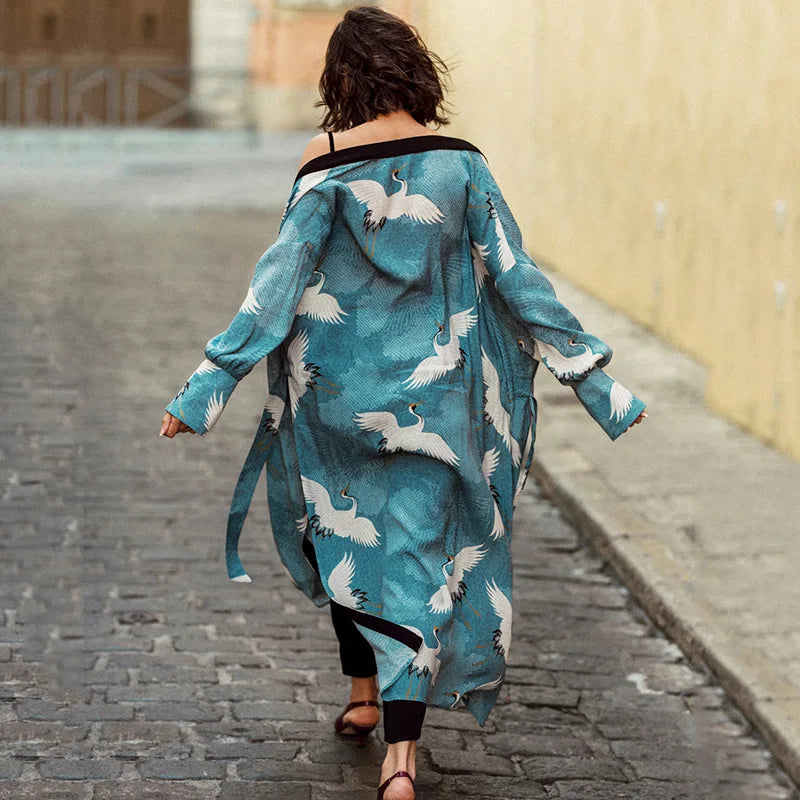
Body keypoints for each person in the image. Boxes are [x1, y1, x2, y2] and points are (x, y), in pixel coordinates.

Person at [159, 5, 647, 799]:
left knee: (346, 545)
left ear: (341, 79)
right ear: (416, 72)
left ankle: (367, 703)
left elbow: (274, 290)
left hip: (335, 405)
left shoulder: (325, 164)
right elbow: (521, 280)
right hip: (440, 409)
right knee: (416, 562)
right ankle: (399, 758)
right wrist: (600, 383)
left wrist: (206, 387)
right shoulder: (463, 165)